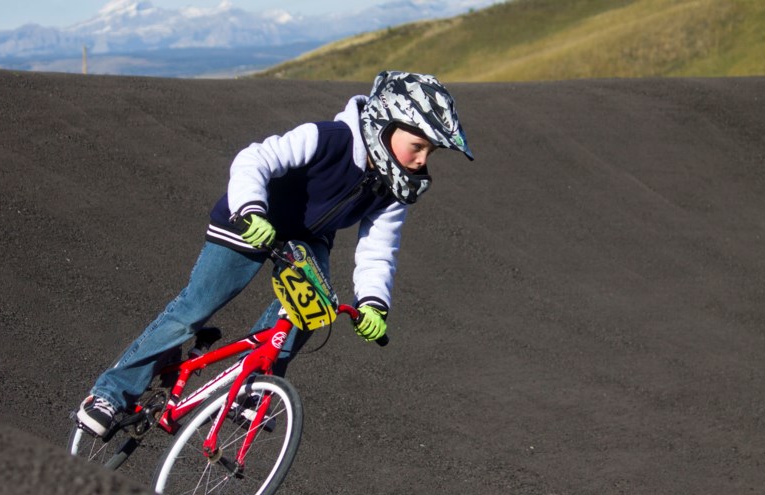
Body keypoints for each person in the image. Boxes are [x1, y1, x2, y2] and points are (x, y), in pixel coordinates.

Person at [76, 70, 474, 437]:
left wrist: (373, 302)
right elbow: (255, 158)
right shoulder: (329, 137)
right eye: (418, 145)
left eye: (430, 152)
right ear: (385, 125)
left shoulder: (395, 190)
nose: (422, 160)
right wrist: (251, 208)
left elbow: (379, 248)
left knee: (312, 308)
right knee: (192, 310)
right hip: (249, 219)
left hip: (306, 239)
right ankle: (110, 395)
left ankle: (251, 387)